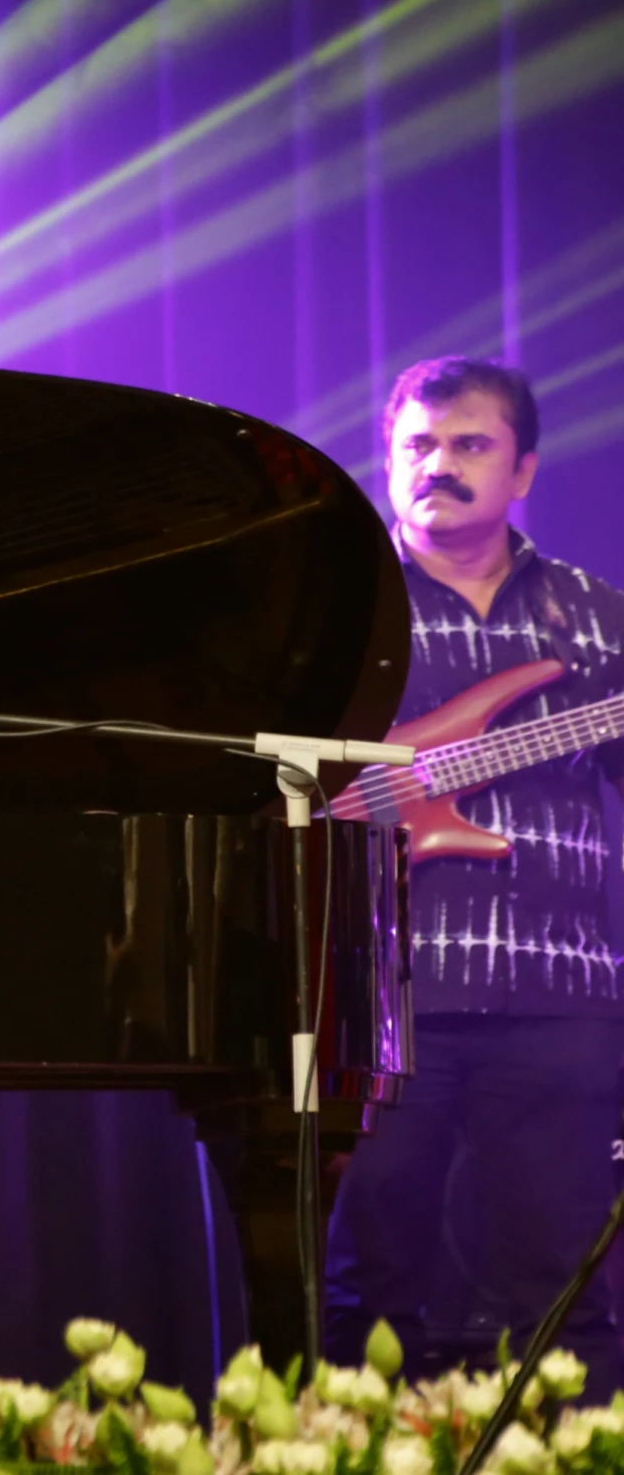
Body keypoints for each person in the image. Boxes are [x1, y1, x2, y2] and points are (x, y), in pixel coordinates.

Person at [325, 357, 624, 1389]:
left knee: (567, 1288)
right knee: (368, 1284)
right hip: (383, 992)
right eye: (417, 444)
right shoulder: (340, 610)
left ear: (523, 468)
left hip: (561, 996)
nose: (437, 464)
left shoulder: (594, 618)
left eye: (468, 445)